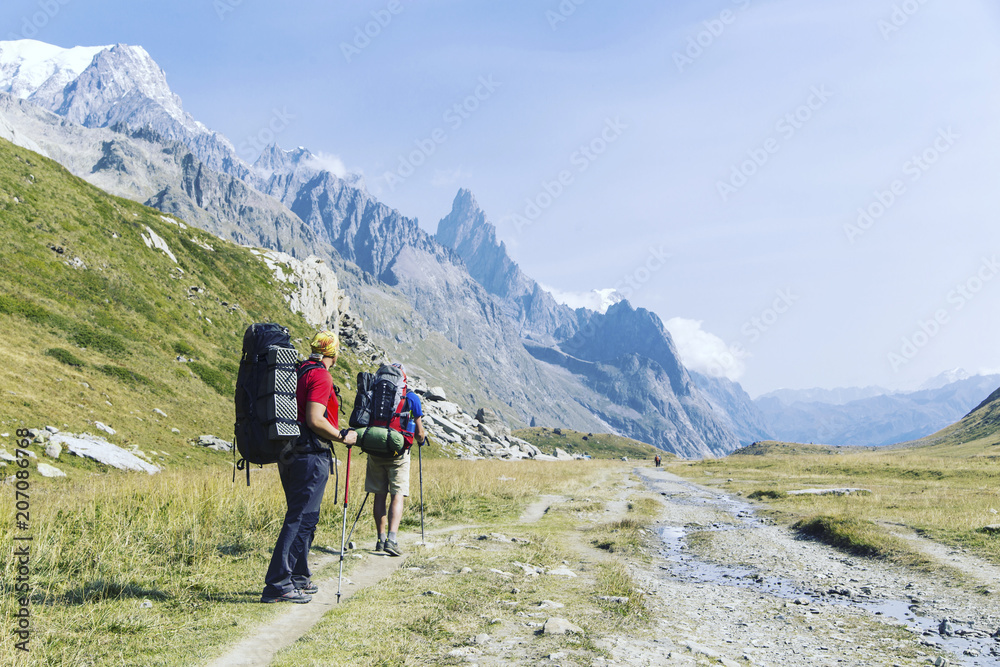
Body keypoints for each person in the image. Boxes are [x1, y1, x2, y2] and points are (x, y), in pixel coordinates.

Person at [261, 330, 357, 603]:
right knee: (300, 517)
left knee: (306, 518)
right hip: (310, 455)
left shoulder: (300, 370)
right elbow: (315, 419)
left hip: (289, 453)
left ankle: (298, 577)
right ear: (333, 354)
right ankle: (277, 583)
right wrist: (342, 436)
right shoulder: (321, 375)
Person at [365, 362, 426, 557]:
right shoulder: (410, 396)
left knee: (379, 494)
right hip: (398, 452)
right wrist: (421, 440)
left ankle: (380, 539)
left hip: (375, 448)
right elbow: (420, 431)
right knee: (397, 494)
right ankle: (392, 539)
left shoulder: (375, 390)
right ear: (403, 378)